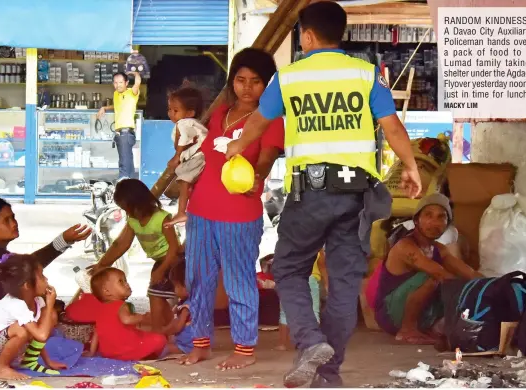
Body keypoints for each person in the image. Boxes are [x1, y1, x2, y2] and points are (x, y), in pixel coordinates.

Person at [224, 2, 423, 387]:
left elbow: (259, 122)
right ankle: (327, 375)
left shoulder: (290, 77)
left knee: (288, 268)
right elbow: (393, 127)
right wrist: (411, 166)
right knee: (344, 285)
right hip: (356, 196)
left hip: (310, 193)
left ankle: (311, 342)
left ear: (308, 35)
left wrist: (235, 147)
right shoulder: (366, 76)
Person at [179, 47, 285, 371]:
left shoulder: (273, 120)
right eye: (240, 80)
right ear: (232, 81)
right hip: (201, 210)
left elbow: (266, 158)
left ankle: (244, 348)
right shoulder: (219, 112)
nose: (247, 87)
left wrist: (259, 175)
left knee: (239, 280)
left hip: (239, 214)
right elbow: (203, 160)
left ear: (267, 85)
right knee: (198, 279)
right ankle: (200, 344)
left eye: (255, 81)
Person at [0, 198, 92, 327]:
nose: (14, 223)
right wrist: (63, 241)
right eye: (6, 220)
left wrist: (63, 241)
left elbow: (28, 265)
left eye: (13, 218)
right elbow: (29, 265)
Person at [375, 193, 482, 345]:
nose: (434, 222)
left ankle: (425, 328)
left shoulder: (440, 249)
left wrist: (494, 286)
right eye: (428, 215)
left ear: (447, 223)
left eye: (441, 217)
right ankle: (407, 330)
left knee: (460, 286)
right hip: (391, 314)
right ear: (416, 220)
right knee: (433, 277)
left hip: (424, 315)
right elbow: (439, 273)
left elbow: (470, 273)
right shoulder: (405, 246)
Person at [87, 179, 181, 332]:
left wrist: (162, 269)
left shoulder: (163, 218)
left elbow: (174, 248)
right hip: (160, 262)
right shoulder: (133, 221)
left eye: (127, 208)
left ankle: (158, 332)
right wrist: (102, 265)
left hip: (173, 262)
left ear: (138, 203)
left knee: (155, 295)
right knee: (156, 294)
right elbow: (121, 244)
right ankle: (171, 329)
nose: (126, 212)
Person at [0, 253, 66, 380]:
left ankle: (22, 361)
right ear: (27, 285)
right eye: (41, 276)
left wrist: (48, 361)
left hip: (3, 349)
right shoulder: (15, 304)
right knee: (20, 329)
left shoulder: (38, 301)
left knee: (44, 321)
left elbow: (40, 332)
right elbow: (42, 335)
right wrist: (50, 306)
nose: (46, 280)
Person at [88, 267, 167, 361]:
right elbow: (127, 320)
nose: (126, 284)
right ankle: (148, 356)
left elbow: (96, 333)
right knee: (160, 338)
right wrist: (142, 317)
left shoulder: (100, 310)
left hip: (108, 353)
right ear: (107, 291)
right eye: (121, 281)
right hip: (127, 351)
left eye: (125, 280)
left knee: (142, 332)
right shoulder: (121, 305)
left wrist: (91, 352)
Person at [258, 255, 323, 352]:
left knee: (285, 312)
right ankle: (313, 344)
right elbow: (322, 265)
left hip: (289, 279)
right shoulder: (316, 245)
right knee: (313, 311)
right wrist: (326, 283)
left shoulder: (287, 245)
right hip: (310, 278)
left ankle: (283, 344)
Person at [164, 86, 209, 226]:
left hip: (199, 156)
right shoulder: (189, 123)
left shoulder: (184, 123)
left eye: (176, 110)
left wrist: (176, 156)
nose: (171, 113)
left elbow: (183, 139)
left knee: (183, 180)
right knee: (185, 179)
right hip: (199, 155)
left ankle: (181, 212)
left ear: (190, 112)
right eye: (169, 109)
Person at [97, 71, 142, 180]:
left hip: (126, 132)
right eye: (116, 83)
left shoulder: (132, 93)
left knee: (124, 161)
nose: (118, 85)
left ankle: (123, 183)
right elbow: (117, 105)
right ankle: (131, 184)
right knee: (128, 161)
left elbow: (137, 83)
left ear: (126, 83)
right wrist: (104, 108)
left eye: (121, 82)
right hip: (120, 132)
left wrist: (135, 73)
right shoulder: (116, 94)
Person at [162, 259, 195, 355]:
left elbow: (178, 327)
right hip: (189, 341)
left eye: (177, 286)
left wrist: (164, 331)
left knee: (164, 347)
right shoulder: (192, 302)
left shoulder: (187, 307)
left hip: (188, 345)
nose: (175, 290)